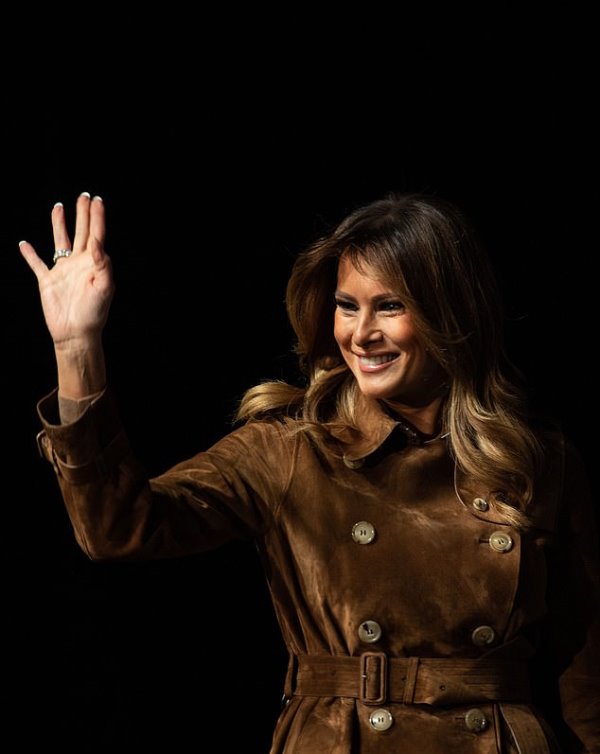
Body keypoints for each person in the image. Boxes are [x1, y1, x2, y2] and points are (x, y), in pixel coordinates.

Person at [21, 191, 599, 753]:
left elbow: (583, 675)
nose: (360, 333)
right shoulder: (292, 447)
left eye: (390, 306)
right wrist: (77, 348)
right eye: (347, 306)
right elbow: (119, 527)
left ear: (452, 312)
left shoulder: (537, 460)